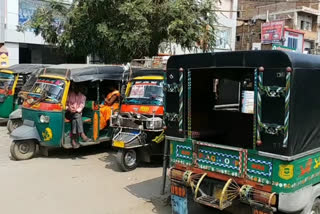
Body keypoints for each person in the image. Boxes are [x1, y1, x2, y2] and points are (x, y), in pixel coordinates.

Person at [66, 84, 90, 148]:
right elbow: (65, 104)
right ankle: (82, 134)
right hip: (68, 113)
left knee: (75, 120)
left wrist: (76, 110)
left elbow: (81, 106)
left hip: (76, 114)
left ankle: (73, 140)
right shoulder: (69, 94)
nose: (76, 88)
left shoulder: (83, 97)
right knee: (77, 116)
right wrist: (69, 108)